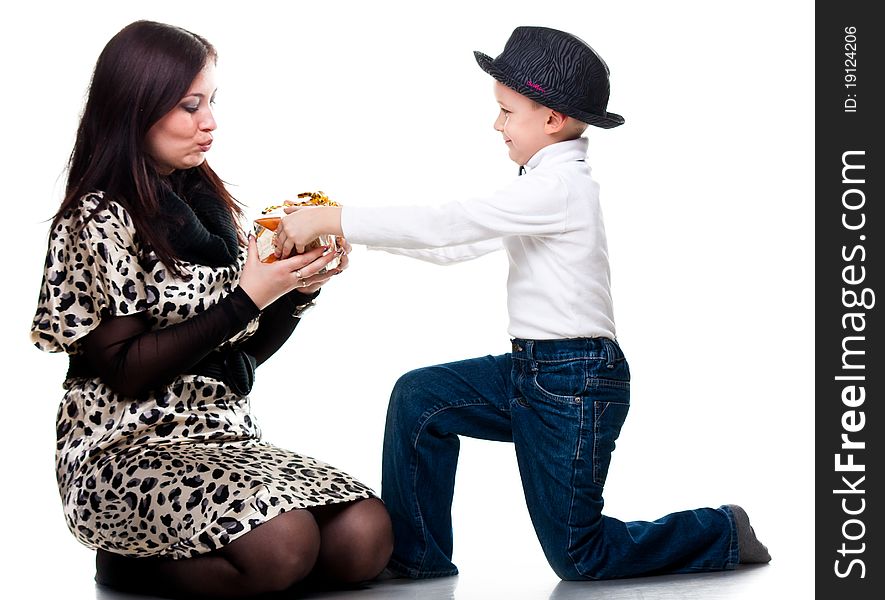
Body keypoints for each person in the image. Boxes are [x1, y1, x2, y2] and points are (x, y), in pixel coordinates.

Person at [273, 26, 771, 581]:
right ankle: (417, 557)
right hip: (531, 371)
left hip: (574, 382)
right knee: (421, 397)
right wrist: (353, 240)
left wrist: (336, 217)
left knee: (580, 557)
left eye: (507, 112)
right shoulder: (536, 187)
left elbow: (446, 222)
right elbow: (456, 245)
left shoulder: (558, 190)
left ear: (552, 119)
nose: (497, 124)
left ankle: (722, 529)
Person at [30, 20, 392, 598]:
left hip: (223, 440)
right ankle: (123, 565)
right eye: (188, 104)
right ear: (134, 108)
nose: (210, 121)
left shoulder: (205, 204)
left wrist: (297, 289)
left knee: (365, 536)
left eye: (211, 101)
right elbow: (125, 371)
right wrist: (249, 295)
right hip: (123, 449)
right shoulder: (98, 216)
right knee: (285, 544)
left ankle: (234, 564)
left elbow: (240, 355)